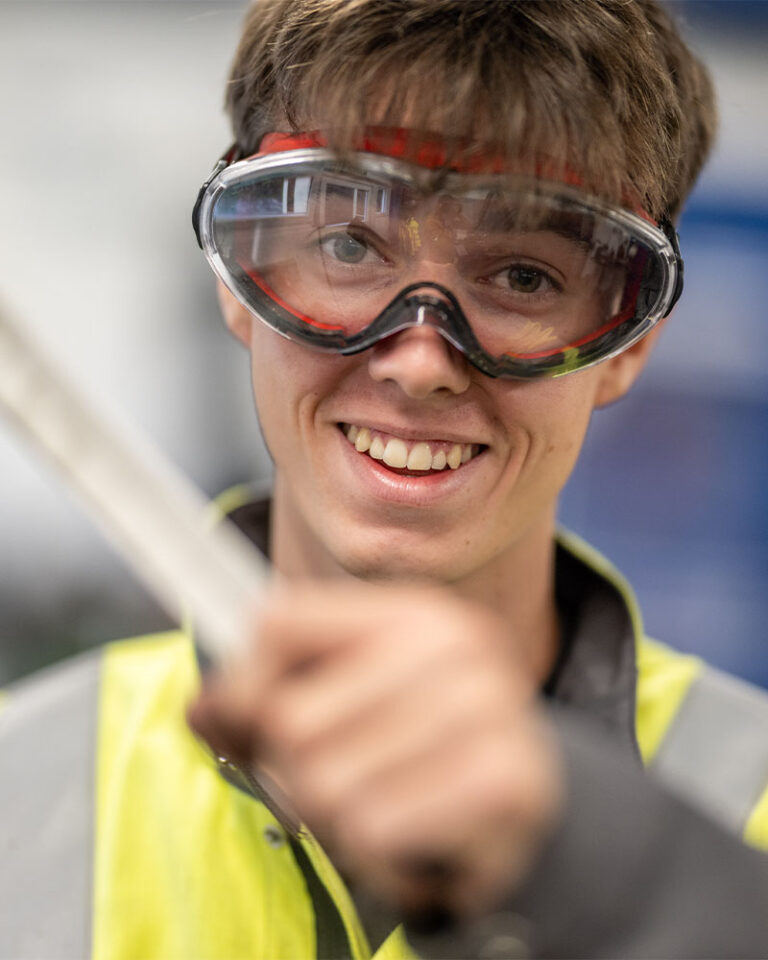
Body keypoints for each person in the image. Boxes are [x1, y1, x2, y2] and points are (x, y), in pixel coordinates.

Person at [1, 1, 768, 958]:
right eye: (349, 247)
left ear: (627, 344)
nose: (418, 361)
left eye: (524, 277)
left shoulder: (752, 800)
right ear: (237, 281)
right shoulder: (16, 794)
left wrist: (603, 861)